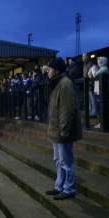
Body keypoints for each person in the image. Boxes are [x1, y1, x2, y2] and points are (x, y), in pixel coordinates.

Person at [44, 58, 82, 200]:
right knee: (58, 160)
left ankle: (69, 188)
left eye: (50, 69)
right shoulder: (57, 83)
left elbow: (67, 109)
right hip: (56, 130)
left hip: (62, 131)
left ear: (57, 70)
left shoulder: (64, 84)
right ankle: (59, 186)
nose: (47, 71)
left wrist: (64, 130)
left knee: (66, 161)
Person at [89, 56, 109, 129]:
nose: (98, 62)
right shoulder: (100, 68)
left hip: (101, 89)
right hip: (97, 88)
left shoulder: (104, 68)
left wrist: (93, 69)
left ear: (102, 61)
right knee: (97, 107)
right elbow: (90, 75)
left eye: (99, 61)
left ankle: (102, 123)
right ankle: (99, 123)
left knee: (101, 107)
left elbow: (94, 75)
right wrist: (91, 70)